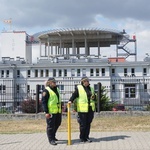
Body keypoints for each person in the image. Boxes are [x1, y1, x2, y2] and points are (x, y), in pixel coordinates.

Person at [68, 76, 96, 143]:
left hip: (90, 108)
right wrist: (70, 101)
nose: (86, 82)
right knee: (83, 124)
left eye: (87, 81)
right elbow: (74, 95)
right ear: (82, 82)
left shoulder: (91, 88)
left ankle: (87, 137)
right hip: (82, 109)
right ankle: (82, 138)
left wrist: (94, 97)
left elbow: (94, 97)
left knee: (88, 123)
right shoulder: (79, 88)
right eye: (85, 81)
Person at [42, 77, 62, 146]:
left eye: (55, 82)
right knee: (50, 126)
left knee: (58, 123)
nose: (55, 83)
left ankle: (53, 136)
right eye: (53, 82)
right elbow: (44, 102)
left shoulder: (57, 89)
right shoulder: (46, 90)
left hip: (57, 111)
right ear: (50, 83)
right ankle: (51, 139)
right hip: (50, 112)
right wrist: (46, 112)